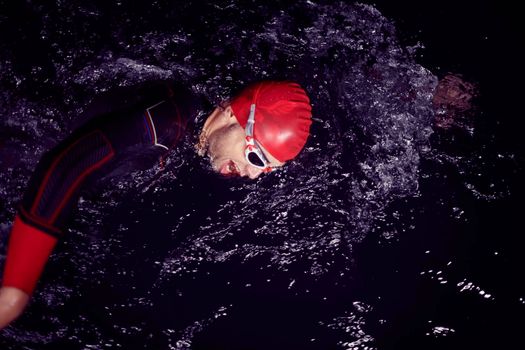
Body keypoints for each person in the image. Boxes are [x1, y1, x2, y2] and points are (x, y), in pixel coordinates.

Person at [0, 80, 313, 329]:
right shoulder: (163, 127)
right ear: (233, 115)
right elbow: (68, 163)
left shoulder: (195, 124)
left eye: (268, 168)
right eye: (256, 157)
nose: (254, 175)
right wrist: (15, 292)